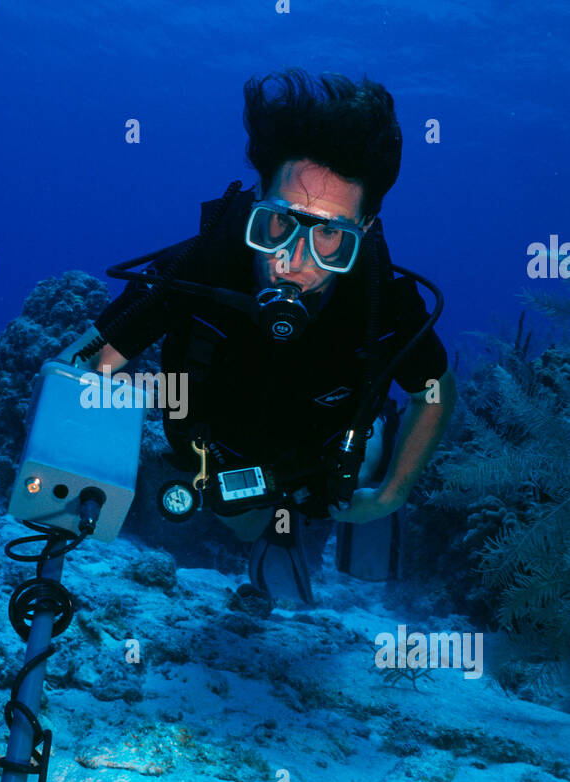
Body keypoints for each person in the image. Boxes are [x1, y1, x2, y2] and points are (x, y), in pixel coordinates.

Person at [67, 68, 456, 606]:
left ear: (364, 231)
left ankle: (334, 495)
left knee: (342, 495)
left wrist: (391, 495)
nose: (295, 263)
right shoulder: (197, 267)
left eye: (330, 235)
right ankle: (272, 531)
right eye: (280, 224)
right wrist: (71, 458)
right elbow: (89, 364)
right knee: (241, 518)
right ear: (256, 202)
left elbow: (434, 392)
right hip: (216, 454)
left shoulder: (380, 303)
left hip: (322, 464)